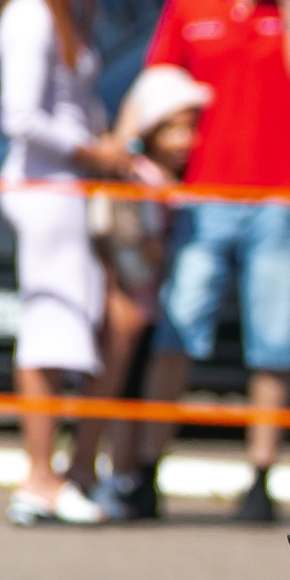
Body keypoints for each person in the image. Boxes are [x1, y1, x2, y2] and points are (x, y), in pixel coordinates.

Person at [127, 0, 290, 523]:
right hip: (203, 196)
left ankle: (260, 477)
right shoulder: (191, 3)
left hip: (278, 199)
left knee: (274, 342)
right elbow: (157, 87)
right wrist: (147, 158)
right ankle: (146, 469)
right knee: (177, 330)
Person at [0, 0, 142, 527]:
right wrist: (93, 150)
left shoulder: (66, 10)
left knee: (92, 320)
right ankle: (39, 477)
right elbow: (20, 116)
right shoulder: (31, 14)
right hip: (46, 187)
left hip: (68, 186)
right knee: (49, 326)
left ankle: (69, 472)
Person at [78, 64, 207, 511]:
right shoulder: (137, 178)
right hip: (132, 300)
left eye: (190, 128)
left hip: (150, 304)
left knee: (133, 392)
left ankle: (127, 476)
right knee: (115, 391)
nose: (185, 140)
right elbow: (124, 239)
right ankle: (101, 473)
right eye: (173, 129)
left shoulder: (164, 179)